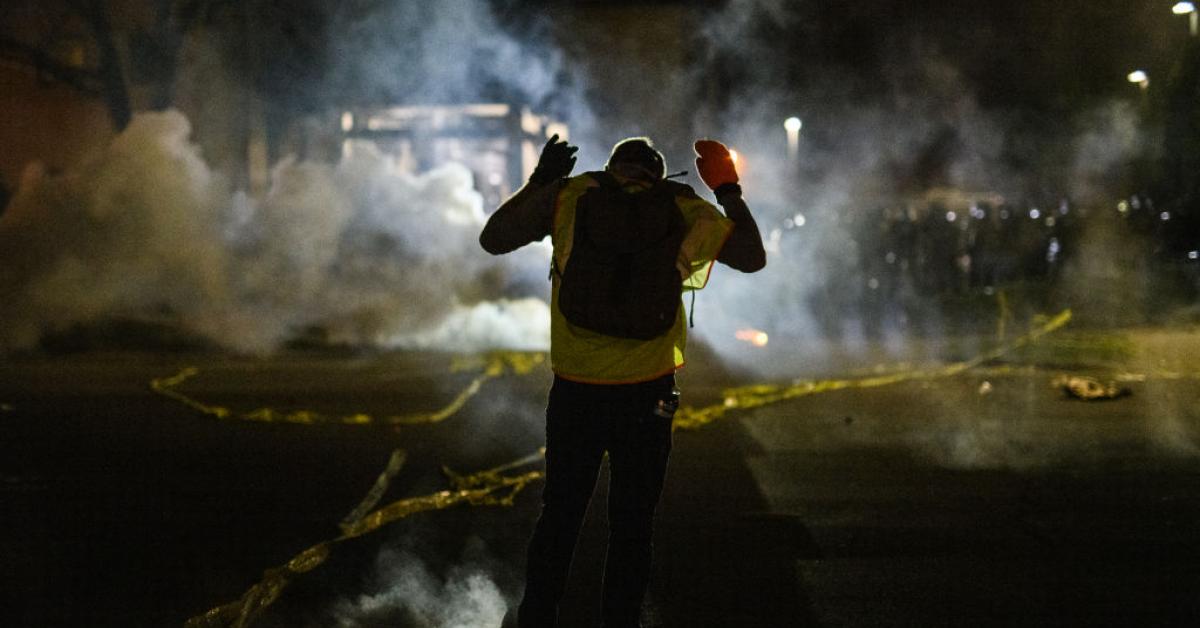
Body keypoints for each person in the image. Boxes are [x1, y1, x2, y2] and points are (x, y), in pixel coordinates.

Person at [480, 135, 765, 628]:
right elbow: (752, 255)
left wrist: (540, 181)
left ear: (613, 167)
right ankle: (620, 621)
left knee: (561, 515)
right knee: (633, 524)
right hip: (648, 393)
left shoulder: (570, 196)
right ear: (658, 172)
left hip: (576, 390)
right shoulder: (683, 205)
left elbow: (494, 238)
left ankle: (537, 619)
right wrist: (728, 189)